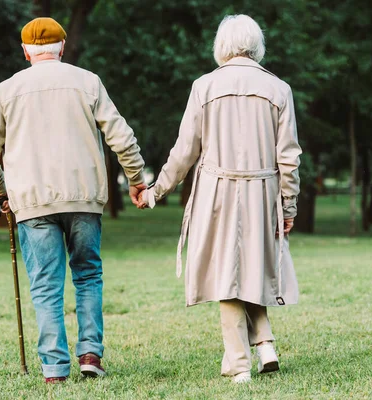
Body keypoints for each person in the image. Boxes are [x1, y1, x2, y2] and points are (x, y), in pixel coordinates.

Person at [0, 17, 146, 383]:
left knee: (45, 284)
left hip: (32, 202)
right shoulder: (88, 82)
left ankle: (54, 368)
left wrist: (1, 189)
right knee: (87, 274)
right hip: (84, 198)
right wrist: (136, 179)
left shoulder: (7, 89)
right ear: (62, 48)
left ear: (25, 52)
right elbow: (122, 137)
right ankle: (90, 355)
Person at [138, 14, 302, 383]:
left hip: (218, 192)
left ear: (222, 45)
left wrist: (156, 190)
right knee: (251, 266)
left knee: (227, 274)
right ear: (256, 45)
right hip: (262, 190)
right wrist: (288, 205)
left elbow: (184, 151)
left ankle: (238, 364)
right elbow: (289, 157)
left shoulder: (204, 86)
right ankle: (266, 344)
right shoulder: (279, 89)